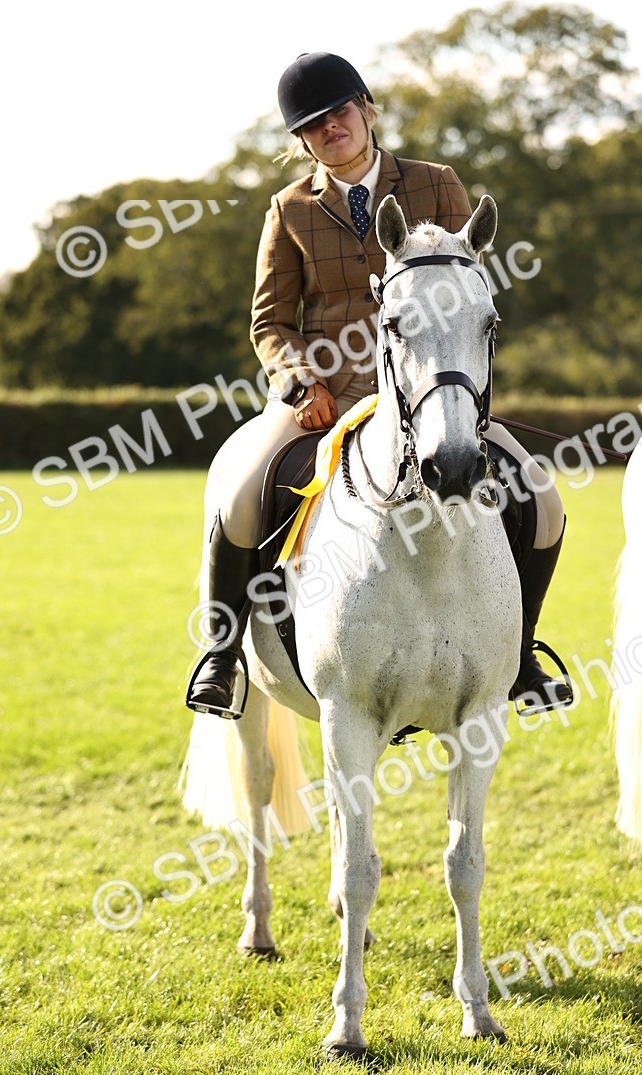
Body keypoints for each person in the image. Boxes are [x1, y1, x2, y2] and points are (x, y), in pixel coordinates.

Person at [186, 51, 571, 719]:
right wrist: (299, 379)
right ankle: (223, 656)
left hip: (429, 392)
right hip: (328, 397)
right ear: (302, 140)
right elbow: (271, 320)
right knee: (243, 492)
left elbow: (466, 285)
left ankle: (523, 655)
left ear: (366, 108)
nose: (330, 128)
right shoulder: (289, 209)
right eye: (312, 124)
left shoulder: (435, 183)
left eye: (339, 111)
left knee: (542, 499)